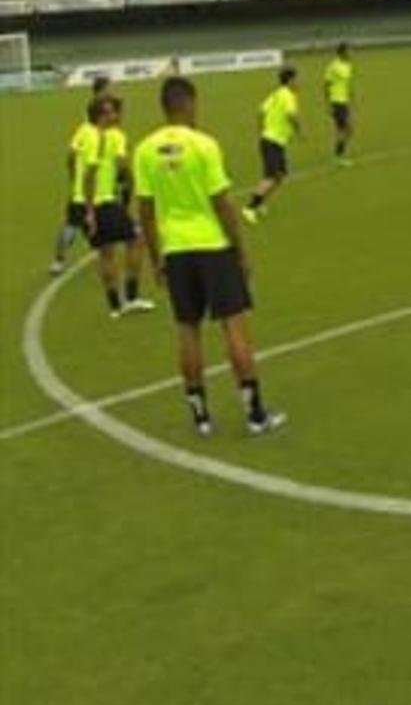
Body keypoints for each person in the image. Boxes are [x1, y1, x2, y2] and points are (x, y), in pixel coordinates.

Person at [133, 76, 285, 437]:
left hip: (176, 250)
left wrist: (157, 259)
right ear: (187, 104)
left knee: (187, 330)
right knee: (234, 326)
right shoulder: (204, 145)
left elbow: (145, 211)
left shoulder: (145, 150)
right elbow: (222, 201)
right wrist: (240, 250)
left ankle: (200, 417)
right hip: (213, 247)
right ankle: (254, 413)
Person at [87, 96, 156, 317]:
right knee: (137, 240)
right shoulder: (116, 136)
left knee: (106, 252)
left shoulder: (85, 134)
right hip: (104, 201)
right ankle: (132, 297)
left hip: (86, 202)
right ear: (102, 116)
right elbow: (122, 165)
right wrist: (131, 187)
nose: (115, 116)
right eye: (111, 112)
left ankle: (115, 306)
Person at [243, 66, 300, 224]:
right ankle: (250, 208)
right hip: (273, 141)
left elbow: (261, 111)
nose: (298, 82)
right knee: (271, 177)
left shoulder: (276, 94)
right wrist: (298, 130)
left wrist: (261, 131)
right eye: (296, 79)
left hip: (271, 140)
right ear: (289, 80)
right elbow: (291, 115)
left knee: (280, 176)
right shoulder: (288, 95)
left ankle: (260, 203)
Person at [50, 100, 100, 275]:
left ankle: (57, 260)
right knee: (94, 224)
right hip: (90, 193)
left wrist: (73, 178)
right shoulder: (94, 136)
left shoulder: (83, 130)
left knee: (71, 225)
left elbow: (71, 155)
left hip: (77, 190)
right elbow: (92, 170)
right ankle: (101, 252)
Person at [325, 41, 356, 161]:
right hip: (336, 101)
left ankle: (338, 155)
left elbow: (346, 83)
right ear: (342, 52)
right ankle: (339, 155)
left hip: (344, 101)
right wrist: (328, 104)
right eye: (349, 50)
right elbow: (326, 85)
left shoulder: (348, 65)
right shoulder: (333, 66)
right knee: (349, 128)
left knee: (341, 130)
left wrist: (350, 96)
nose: (351, 53)